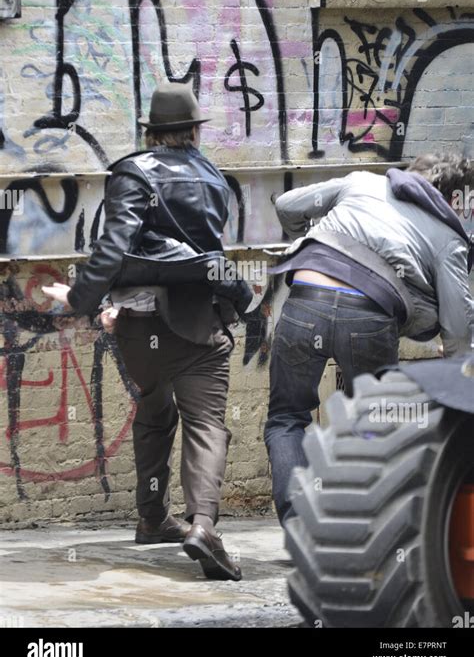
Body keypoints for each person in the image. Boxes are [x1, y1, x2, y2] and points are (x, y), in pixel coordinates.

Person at [43, 83, 251, 581]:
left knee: (155, 415)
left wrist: (80, 299)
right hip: (198, 327)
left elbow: (113, 250)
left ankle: (154, 516)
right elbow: (209, 254)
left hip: (138, 330)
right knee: (206, 423)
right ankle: (203, 527)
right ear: (193, 131)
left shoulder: (131, 172)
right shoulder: (214, 177)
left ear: (152, 132)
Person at [265, 153, 474, 525]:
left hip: (306, 299)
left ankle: (297, 520)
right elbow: (457, 330)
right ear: (453, 199)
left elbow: (285, 204)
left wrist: (315, 244)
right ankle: (361, 524)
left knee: (287, 416)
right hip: (370, 316)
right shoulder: (448, 237)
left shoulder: (360, 181)